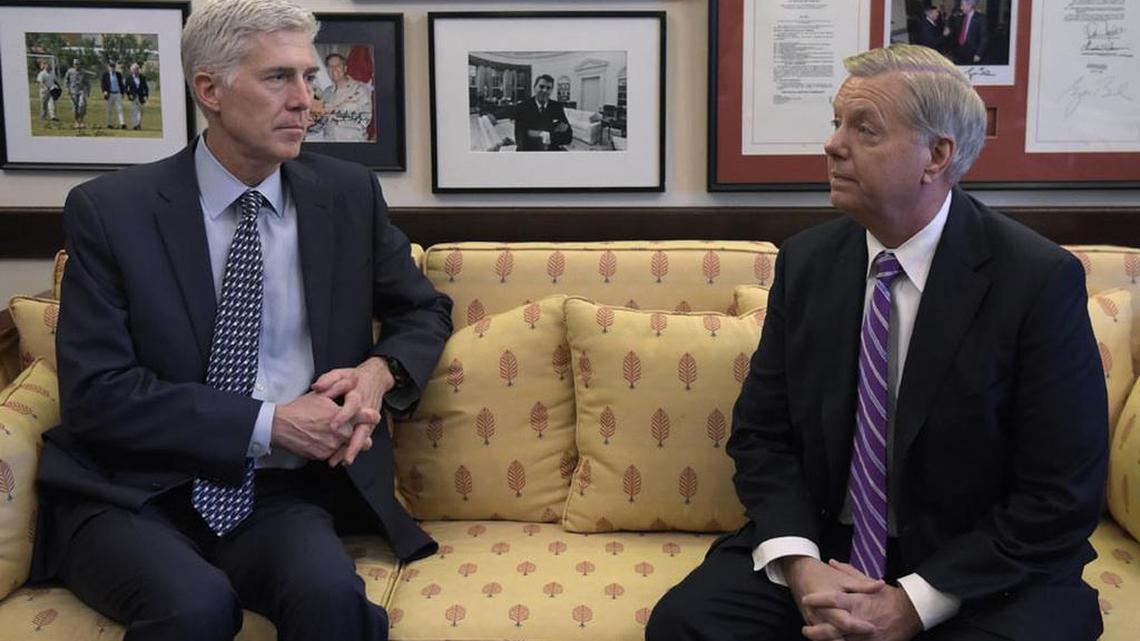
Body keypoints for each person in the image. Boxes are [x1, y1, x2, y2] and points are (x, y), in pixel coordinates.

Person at [647, 44, 1106, 641]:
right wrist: (802, 564)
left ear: (935, 156)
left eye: (864, 128)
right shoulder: (808, 262)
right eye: (836, 123)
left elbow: (1062, 492)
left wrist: (912, 603)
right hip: (827, 546)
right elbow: (762, 435)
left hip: (980, 564)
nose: (833, 144)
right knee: (685, 626)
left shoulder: (1036, 280)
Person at [29, 0, 453, 639]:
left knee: (333, 599)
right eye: (279, 78)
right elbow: (96, 394)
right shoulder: (112, 212)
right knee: (197, 608)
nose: (306, 101)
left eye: (310, 79)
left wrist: (378, 371)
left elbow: (422, 309)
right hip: (133, 494)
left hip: (275, 496)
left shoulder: (345, 195)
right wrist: (272, 422)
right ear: (211, 90)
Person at [308, 52, 372, 142]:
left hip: (353, 143)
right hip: (329, 143)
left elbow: (365, 120)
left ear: (345, 68)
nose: (334, 69)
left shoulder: (360, 90)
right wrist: (311, 122)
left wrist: (335, 114)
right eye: (330, 66)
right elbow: (322, 122)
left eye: (338, 65)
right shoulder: (326, 93)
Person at [513, 74, 572, 151]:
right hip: (530, 152)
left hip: (551, 151)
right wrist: (551, 133)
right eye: (541, 87)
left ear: (551, 90)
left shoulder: (557, 107)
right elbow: (520, 139)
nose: (545, 90)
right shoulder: (522, 107)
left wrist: (534, 133)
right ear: (534, 88)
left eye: (548, 88)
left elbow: (568, 137)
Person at [949, 0, 988, 64]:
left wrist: (979, 54)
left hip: (972, 52)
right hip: (958, 51)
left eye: (963, 6)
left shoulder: (981, 18)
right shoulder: (961, 17)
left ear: (969, 5)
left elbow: (984, 38)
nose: (961, 8)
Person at [63, 58, 89, 129]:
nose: (77, 65)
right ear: (73, 64)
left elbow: (87, 82)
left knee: (82, 105)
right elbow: (66, 80)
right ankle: (77, 122)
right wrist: (67, 89)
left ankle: (81, 120)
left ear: (80, 64)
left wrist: (88, 91)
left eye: (78, 64)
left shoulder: (83, 71)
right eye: (75, 64)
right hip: (73, 92)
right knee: (75, 108)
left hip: (81, 91)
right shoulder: (70, 71)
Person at [124, 62, 150, 130]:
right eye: (135, 69)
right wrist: (129, 95)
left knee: (141, 111)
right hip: (133, 97)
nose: (136, 70)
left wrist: (146, 96)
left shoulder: (142, 77)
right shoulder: (128, 78)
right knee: (134, 111)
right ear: (132, 70)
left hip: (141, 97)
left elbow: (146, 87)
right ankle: (135, 125)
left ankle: (138, 123)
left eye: (137, 69)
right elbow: (126, 88)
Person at [101, 61, 127, 129]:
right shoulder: (105, 75)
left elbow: (121, 84)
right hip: (109, 94)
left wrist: (123, 93)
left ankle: (122, 123)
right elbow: (103, 84)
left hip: (117, 93)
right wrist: (104, 91)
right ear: (108, 67)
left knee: (120, 109)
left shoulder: (118, 74)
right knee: (109, 110)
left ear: (115, 68)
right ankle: (110, 124)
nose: (112, 68)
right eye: (111, 67)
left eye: (113, 67)